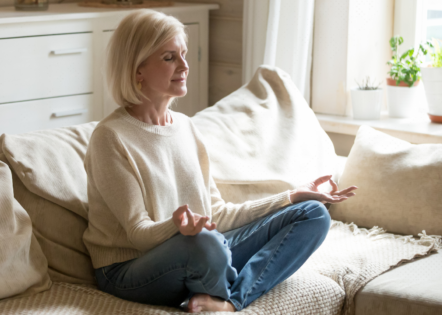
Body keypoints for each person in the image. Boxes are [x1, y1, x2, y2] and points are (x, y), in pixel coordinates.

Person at [83, 9, 357, 313]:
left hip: (197, 250)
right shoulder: (110, 137)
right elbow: (138, 232)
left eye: (184, 54)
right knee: (206, 243)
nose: (185, 66)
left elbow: (218, 213)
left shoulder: (186, 127)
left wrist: (292, 195)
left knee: (313, 214)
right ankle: (221, 286)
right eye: (169, 57)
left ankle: (227, 302)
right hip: (128, 268)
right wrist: (177, 227)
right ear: (138, 70)